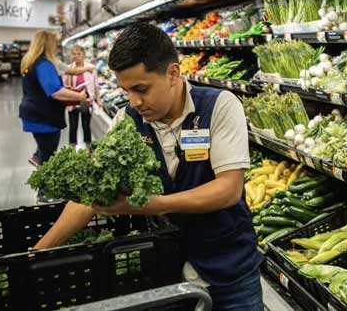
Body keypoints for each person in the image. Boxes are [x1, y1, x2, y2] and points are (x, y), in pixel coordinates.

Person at [33, 22, 261, 311]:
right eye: (126, 90)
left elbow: (228, 190)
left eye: (141, 89)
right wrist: (38, 252)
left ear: (173, 74)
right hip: (167, 273)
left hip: (230, 269)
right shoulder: (128, 119)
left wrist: (147, 204)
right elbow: (93, 190)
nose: (134, 101)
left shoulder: (219, 106)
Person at [19, 30, 89, 169]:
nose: (57, 47)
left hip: (32, 112)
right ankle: (44, 189)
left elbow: (40, 87)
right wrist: (79, 96)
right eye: (55, 44)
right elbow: (55, 91)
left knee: (44, 153)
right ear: (48, 44)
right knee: (48, 160)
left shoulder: (30, 62)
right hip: (44, 116)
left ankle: (40, 167)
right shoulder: (45, 64)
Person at [64, 46, 98, 148]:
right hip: (73, 101)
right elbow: (64, 84)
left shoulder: (91, 68)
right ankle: (72, 148)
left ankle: (88, 147)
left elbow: (96, 85)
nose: (76, 56)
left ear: (83, 55)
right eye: (74, 54)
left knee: (86, 125)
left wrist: (98, 100)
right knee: (73, 126)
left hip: (86, 101)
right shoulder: (69, 69)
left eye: (79, 53)